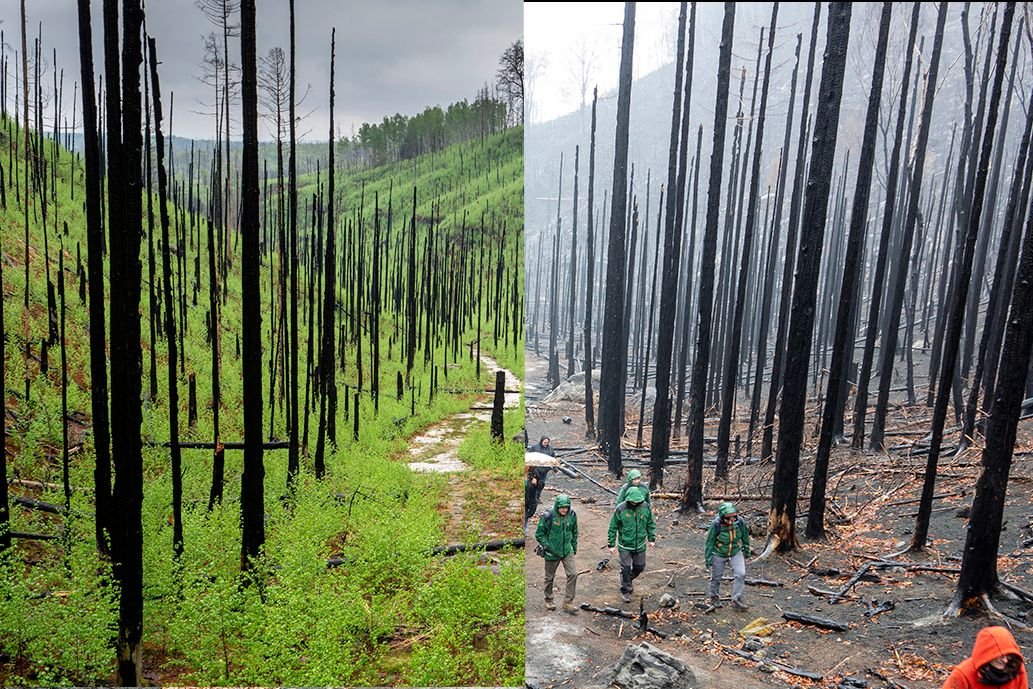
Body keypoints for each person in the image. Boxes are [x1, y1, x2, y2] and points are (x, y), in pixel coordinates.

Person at [607, 486, 656, 604]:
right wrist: (611, 544)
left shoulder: (645, 507)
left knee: (640, 567)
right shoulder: (620, 509)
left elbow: (650, 523)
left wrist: (651, 538)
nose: (635, 503)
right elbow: (613, 527)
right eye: (633, 501)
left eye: (637, 501)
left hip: (640, 544)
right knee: (626, 568)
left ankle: (626, 578)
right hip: (625, 545)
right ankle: (626, 590)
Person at [942, 626, 1027, 689]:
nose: (1005, 660)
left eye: (1009, 655)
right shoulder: (962, 675)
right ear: (987, 654)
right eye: (1000, 656)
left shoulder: (1016, 667)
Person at [535, 494, 579, 614]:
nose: (564, 509)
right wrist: (547, 545)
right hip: (552, 552)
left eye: (566, 507)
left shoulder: (572, 515)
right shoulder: (549, 516)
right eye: (562, 507)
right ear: (557, 506)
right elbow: (539, 534)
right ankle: (549, 599)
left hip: (567, 550)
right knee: (549, 577)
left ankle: (568, 602)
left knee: (573, 574)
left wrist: (574, 547)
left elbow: (575, 531)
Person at [704, 502, 751, 611]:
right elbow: (709, 542)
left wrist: (747, 550)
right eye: (727, 519)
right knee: (716, 577)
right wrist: (708, 558)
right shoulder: (716, 525)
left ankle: (736, 599)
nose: (730, 521)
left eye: (733, 518)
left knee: (741, 574)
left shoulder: (740, 522)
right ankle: (714, 597)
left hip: (735, 551)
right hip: (719, 553)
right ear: (721, 517)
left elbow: (745, 536)